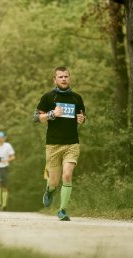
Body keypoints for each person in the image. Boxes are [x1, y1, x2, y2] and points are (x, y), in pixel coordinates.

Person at [33, 66, 86, 221]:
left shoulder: (77, 98)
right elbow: (36, 118)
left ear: (70, 78)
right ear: (55, 80)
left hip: (72, 144)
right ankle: (49, 190)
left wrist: (82, 120)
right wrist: (52, 114)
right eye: (60, 77)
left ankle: (62, 210)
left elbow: (82, 116)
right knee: (54, 181)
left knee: (67, 175)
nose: (64, 79)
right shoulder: (49, 97)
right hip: (53, 145)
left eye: (66, 76)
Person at [0, 131, 16, 211]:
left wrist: (7, 160)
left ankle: (4, 205)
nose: (0, 139)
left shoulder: (8, 146)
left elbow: (13, 156)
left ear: (5, 138)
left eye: (2, 137)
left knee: (4, 187)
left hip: (5, 167)